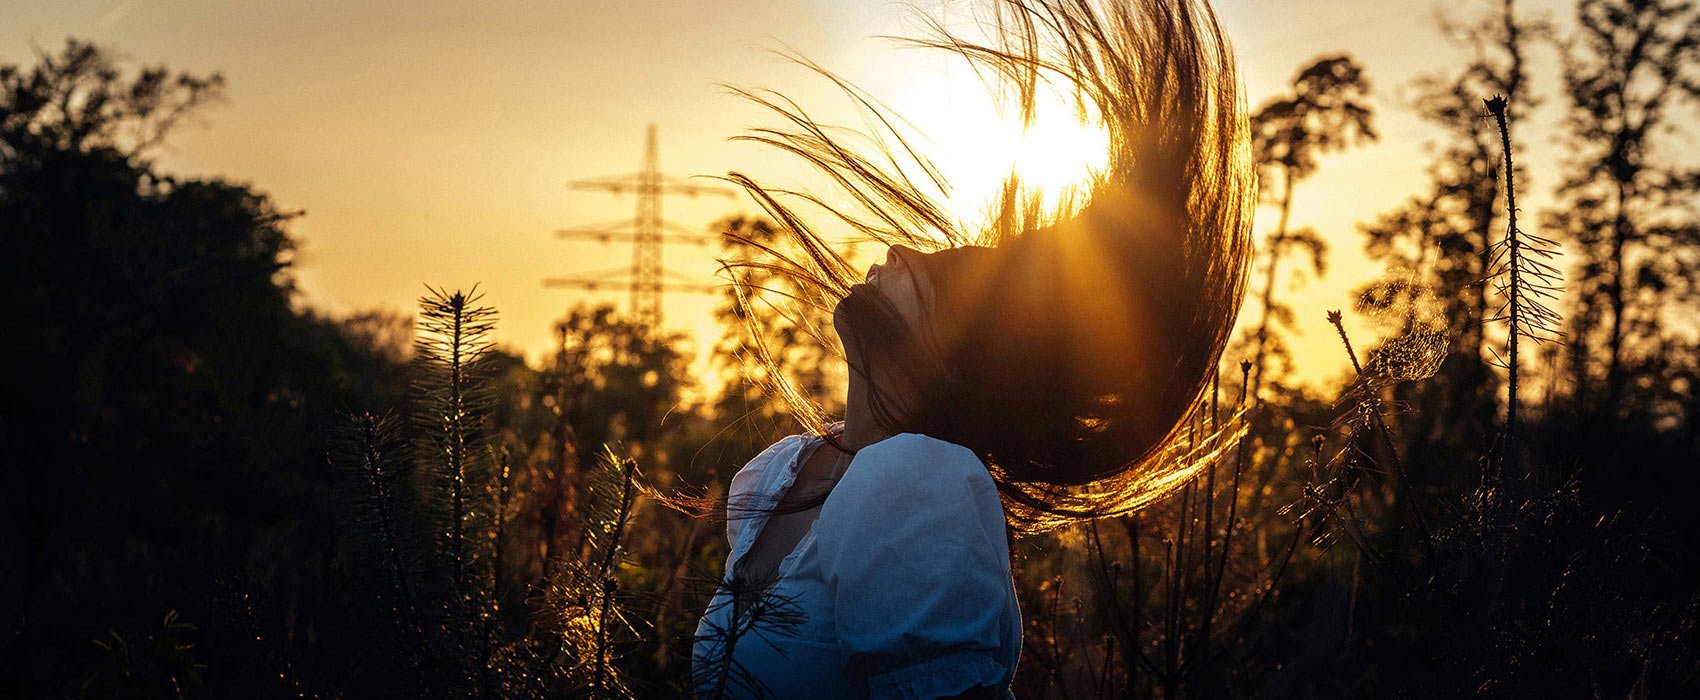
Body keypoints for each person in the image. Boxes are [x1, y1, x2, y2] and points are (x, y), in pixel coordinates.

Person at [693, 0, 1255, 697]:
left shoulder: (919, 483)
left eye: (937, 276)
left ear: (959, 357)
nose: (897, 251)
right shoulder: (783, 471)